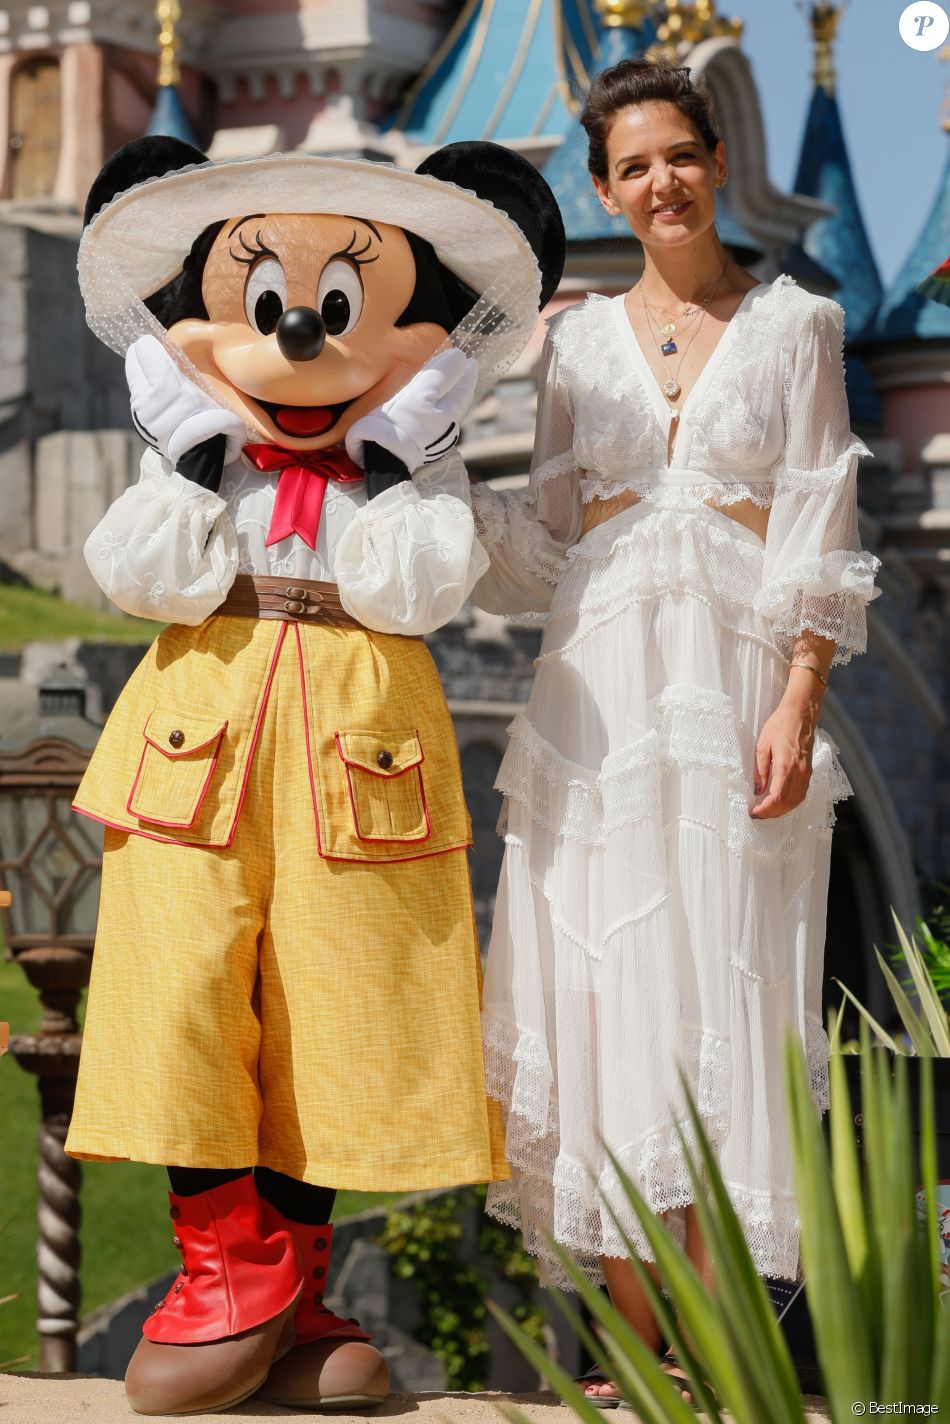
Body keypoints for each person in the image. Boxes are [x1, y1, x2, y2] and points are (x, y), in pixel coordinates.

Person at [468, 57, 879, 1404]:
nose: (660, 181)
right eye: (632, 165)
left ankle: (715, 1353)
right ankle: (644, 1362)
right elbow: (540, 544)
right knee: (610, 1008)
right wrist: (419, 500)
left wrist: (797, 694)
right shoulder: (573, 344)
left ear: (712, 161)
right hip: (591, 700)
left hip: (729, 695)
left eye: (678, 155)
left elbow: (820, 511)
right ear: (605, 188)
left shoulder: (797, 323)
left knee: (723, 995)